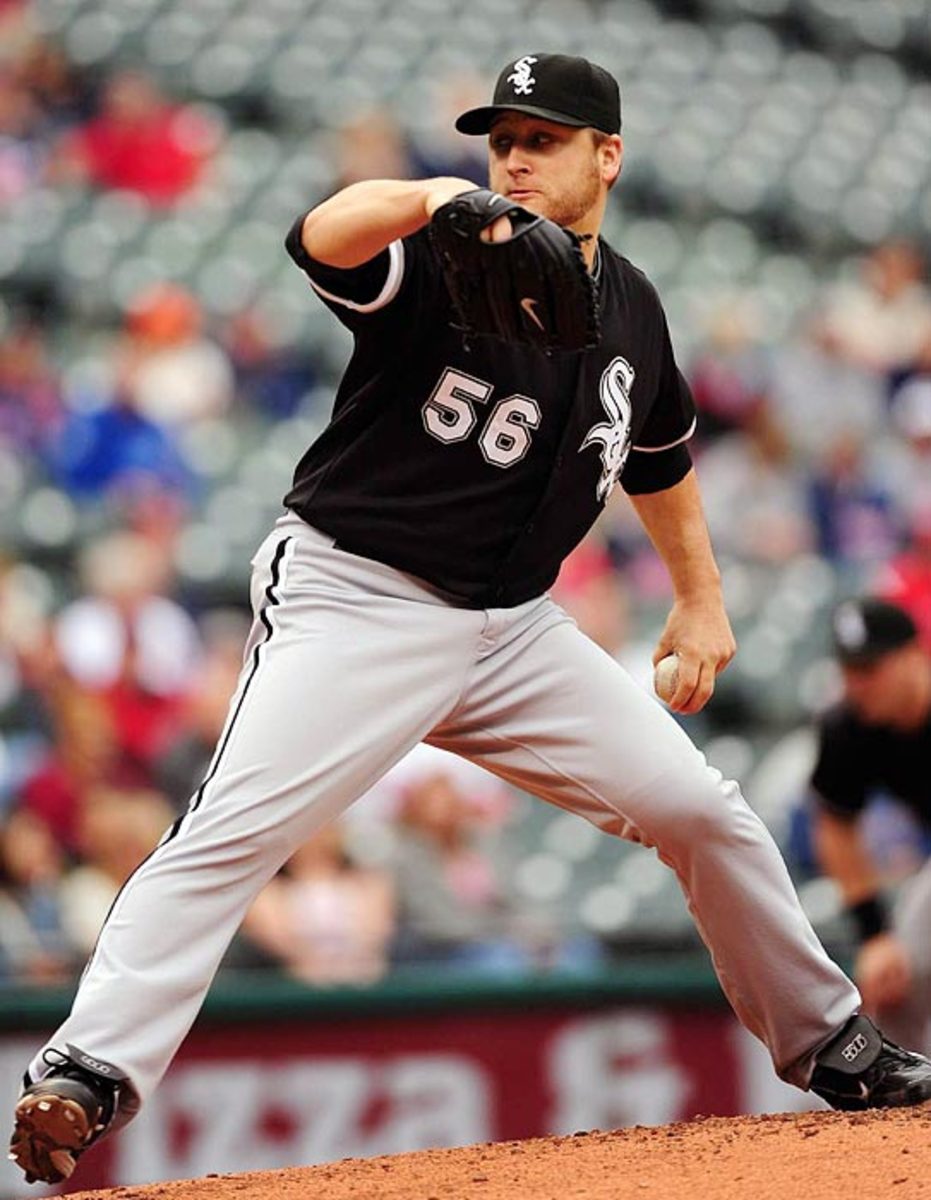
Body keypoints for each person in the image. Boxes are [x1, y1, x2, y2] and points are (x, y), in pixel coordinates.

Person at [10, 52, 931, 1187]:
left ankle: (830, 1043)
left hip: (514, 631)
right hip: (361, 598)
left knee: (702, 809)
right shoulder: (449, 255)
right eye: (501, 141)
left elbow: (659, 455)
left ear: (609, 157)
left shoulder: (634, 306)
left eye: (542, 140)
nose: (514, 159)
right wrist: (433, 196)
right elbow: (322, 236)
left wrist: (699, 596)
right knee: (233, 829)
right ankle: (86, 1071)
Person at [810, 598, 931, 1056]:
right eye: (848, 670)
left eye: (870, 668)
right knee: (899, 973)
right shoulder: (848, 728)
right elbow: (837, 828)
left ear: (914, 656)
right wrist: (875, 934)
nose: (856, 684)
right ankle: (908, 1119)